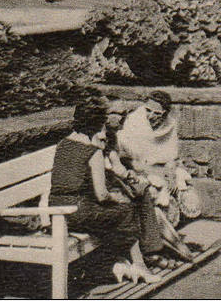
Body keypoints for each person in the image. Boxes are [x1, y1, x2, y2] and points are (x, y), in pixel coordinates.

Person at [49, 96, 163, 284]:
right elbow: (102, 195)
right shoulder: (92, 152)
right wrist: (117, 199)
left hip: (56, 208)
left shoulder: (63, 144)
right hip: (77, 212)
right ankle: (139, 266)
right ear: (96, 125)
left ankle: (117, 265)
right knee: (126, 211)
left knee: (113, 217)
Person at [115, 91, 201, 244]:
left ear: (165, 114)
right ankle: (162, 223)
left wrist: (170, 175)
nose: (150, 116)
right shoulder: (133, 122)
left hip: (162, 167)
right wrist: (157, 173)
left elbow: (171, 156)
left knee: (183, 185)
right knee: (156, 188)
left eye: (157, 113)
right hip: (139, 168)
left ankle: (176, 214)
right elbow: (128, 159)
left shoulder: (170, 125)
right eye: (148, 110)